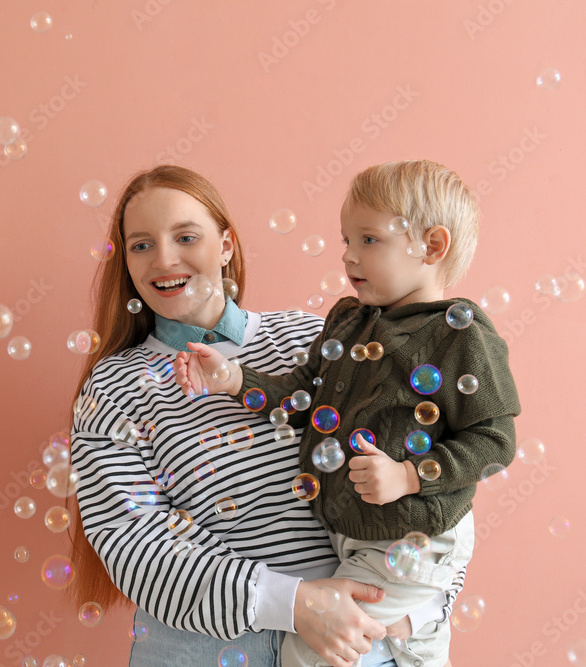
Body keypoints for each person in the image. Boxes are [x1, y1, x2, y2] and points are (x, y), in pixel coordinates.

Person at [68, 165, 459, 667]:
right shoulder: (113, 387)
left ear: (226, 245)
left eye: (186, 236)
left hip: (360, 639)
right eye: (141, 245)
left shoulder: (311, 340)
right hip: (200, 652)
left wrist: (417, 613)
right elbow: (133, 541)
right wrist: (296, 605)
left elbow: (439, 486)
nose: (164, 259)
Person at [174, 160, 519, 666]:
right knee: (419, 651)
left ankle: (405, 620)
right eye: (346, 240)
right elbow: (299, 399)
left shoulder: (459, 336)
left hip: (413, 534)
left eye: (368, 240)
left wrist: (409, 474)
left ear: (432, 246)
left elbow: (495, 440)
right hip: (357, 531)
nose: (347, 254)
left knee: (308, 653)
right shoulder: (347, 322)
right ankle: (411, 629)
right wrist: (234, 379)